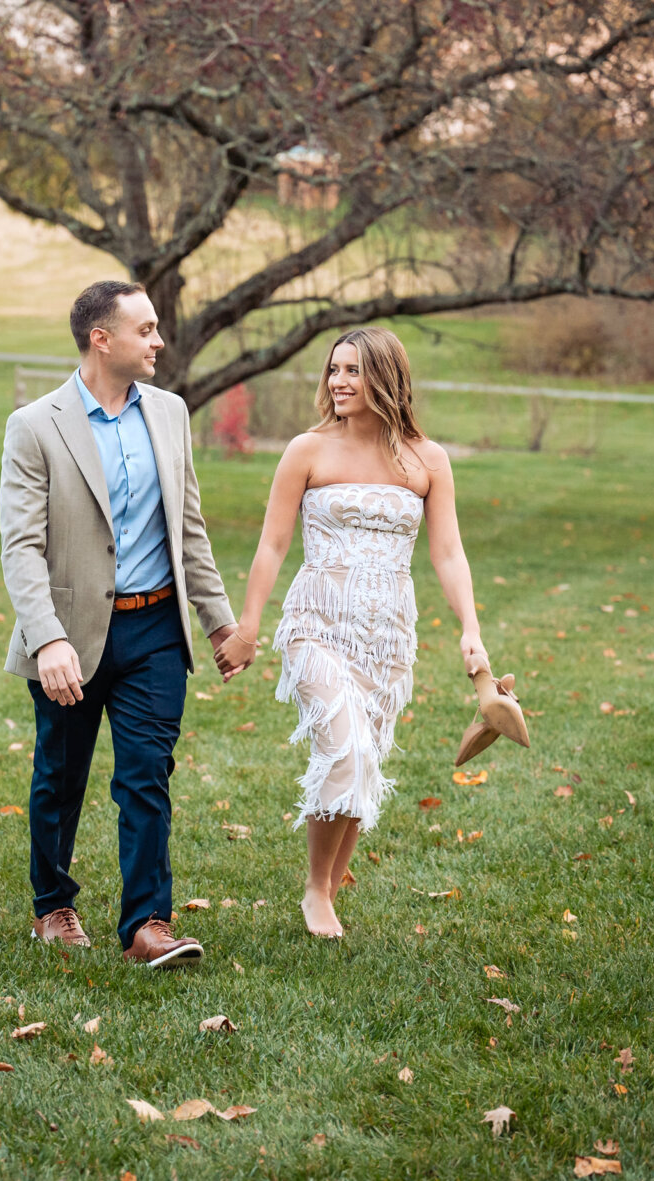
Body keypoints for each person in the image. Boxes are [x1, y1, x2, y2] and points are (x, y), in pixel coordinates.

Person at [0, 279, 243, 967]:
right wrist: (47, 637)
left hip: (155, 629)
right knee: (61, 774)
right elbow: (21, 546)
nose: (159, 340)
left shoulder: (170, 414)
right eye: (146, 329)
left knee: (145, 774)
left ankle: (147, 924)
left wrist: (217, 620)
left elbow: (187, 526)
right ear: (100, 339)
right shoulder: (35, 425)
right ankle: (52, 902)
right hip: (69, 636)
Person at [214, 327, 486, 938]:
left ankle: (331, 889)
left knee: (366, 760)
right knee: (347, 748)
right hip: (317, 625)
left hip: (388, 635)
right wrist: (249, 625)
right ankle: (316, 889)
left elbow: (447, 553)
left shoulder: (426, 459)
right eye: (334, 369)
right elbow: (273, 543)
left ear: (385, 379)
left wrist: (471, 629)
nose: (338, 381)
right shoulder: (307, 450)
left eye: (354, 371)